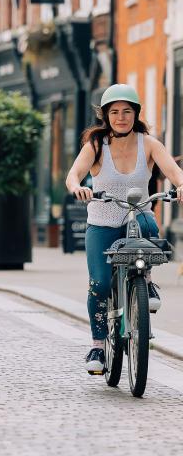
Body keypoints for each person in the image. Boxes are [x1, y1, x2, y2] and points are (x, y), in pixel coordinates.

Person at [65, 84, 183, 374]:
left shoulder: (150, 144)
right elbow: (74, 173)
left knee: (148, 223)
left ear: (136, 114)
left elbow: (173, 170)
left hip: (136, 215)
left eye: (127, 111)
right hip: (102, 222)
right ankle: (97, 345)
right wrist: (77, 187)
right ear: (106, 115)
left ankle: (147, 281)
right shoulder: (95, 145)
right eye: (115, 112)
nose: (121, 117)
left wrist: (180, 185)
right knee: (100, 284)